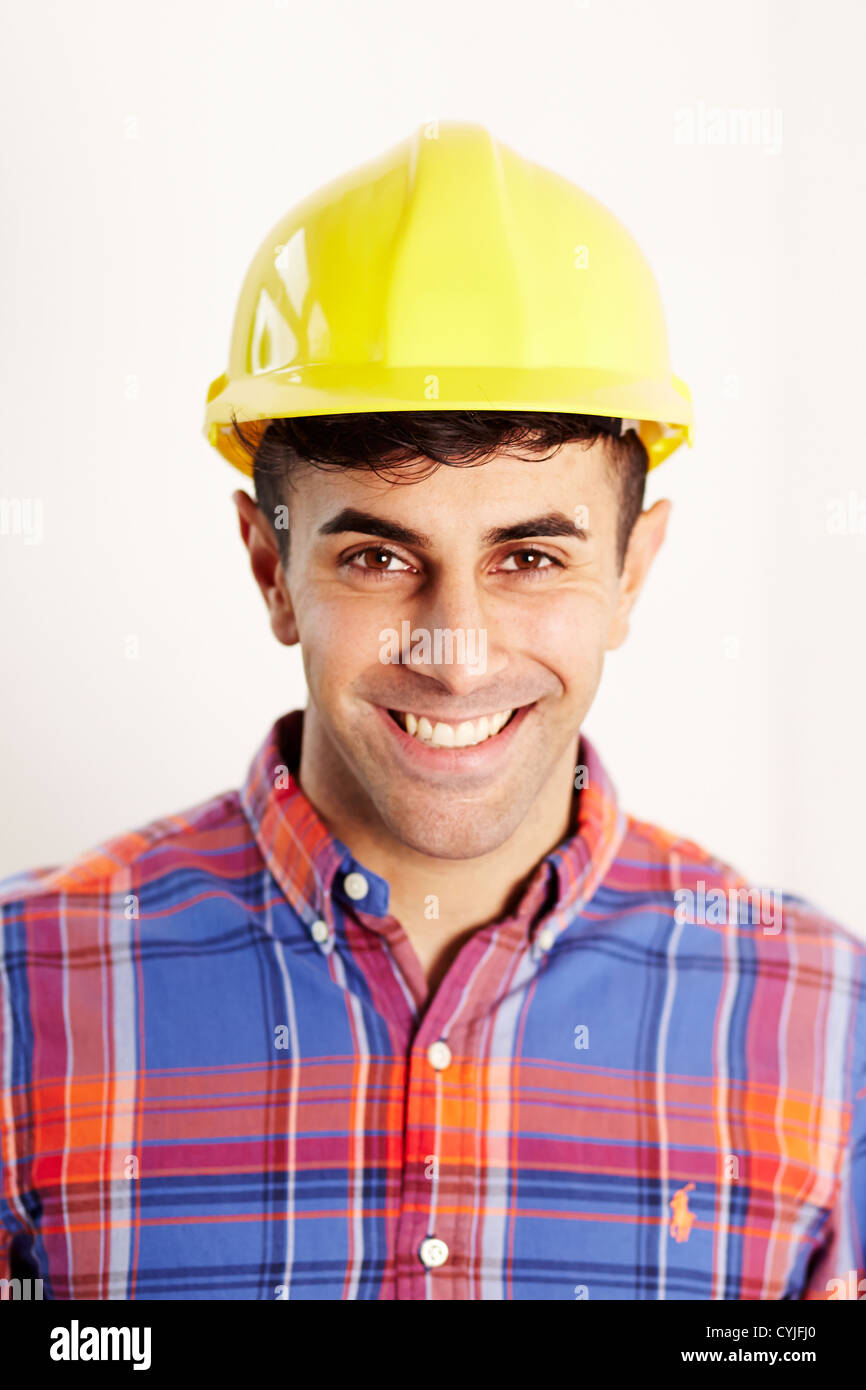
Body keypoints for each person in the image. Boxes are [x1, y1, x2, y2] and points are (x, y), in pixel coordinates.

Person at [1, 122, 862, 1302]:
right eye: (376, 558)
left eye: (527, 559)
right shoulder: (21, 989)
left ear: (631, 571)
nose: (455, 654)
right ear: (269, 567)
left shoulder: (823, 1019)